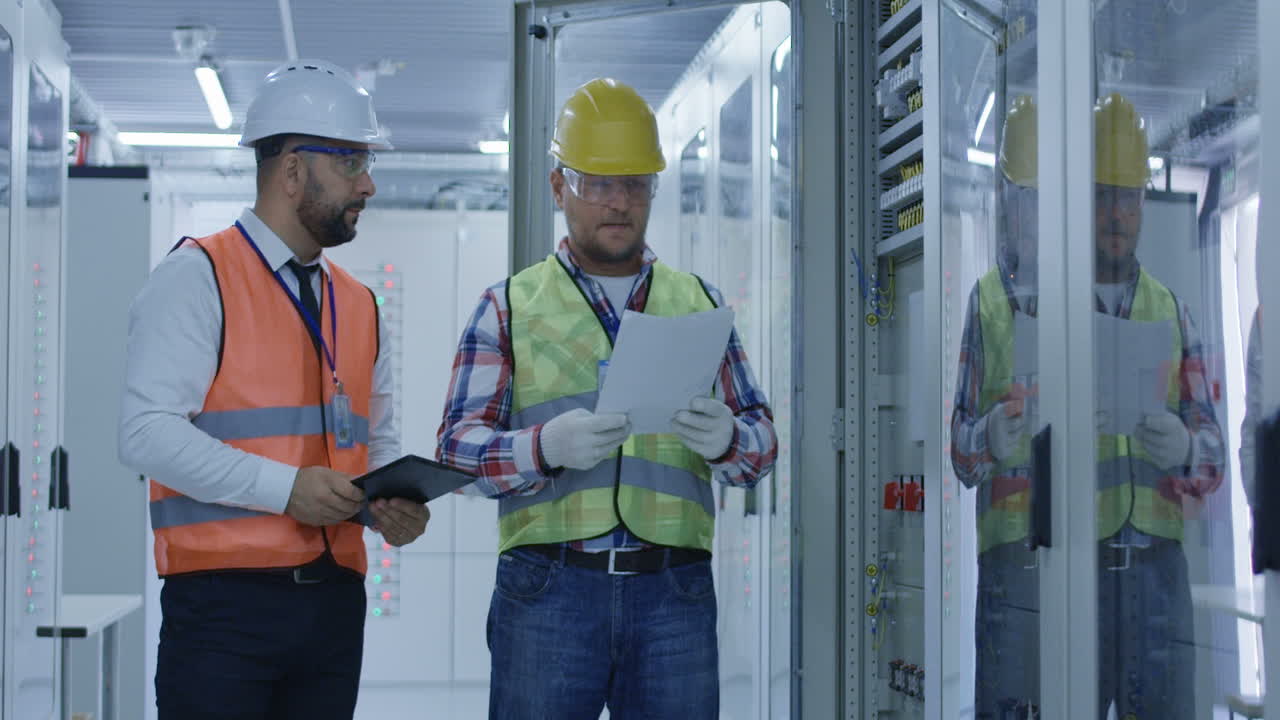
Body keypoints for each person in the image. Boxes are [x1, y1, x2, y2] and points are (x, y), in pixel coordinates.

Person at [436, 77, 778, 719]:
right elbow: (455, 454)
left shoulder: (698, 303)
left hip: (673, 592)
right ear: (559, 184)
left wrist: (731, 439)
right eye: (598, 183)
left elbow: (761, 449)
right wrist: (542, 448)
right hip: (549, 590)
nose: (619, 202)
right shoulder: (508, 306)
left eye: (636, 183)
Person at [118, 60, 429, 719]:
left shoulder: (360, 303)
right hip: (223, 612)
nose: (368, 184)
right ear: (292, 171)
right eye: (350, 163)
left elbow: (375, 441)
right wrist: (286, 489)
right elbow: (145, 433)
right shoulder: (197, 277)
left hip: (334, 607)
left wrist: (390, 502)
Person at [951, 93, 1225, 719]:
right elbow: (960, 457)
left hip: (1151, 577)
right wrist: (992, 434)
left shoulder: (1170, 310)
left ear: (1145, 202)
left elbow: (1214, 462)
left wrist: (1186, 448)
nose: (1116, 214)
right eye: (1101, 195)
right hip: (1036, 568)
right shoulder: (1004, 303)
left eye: (1128, 196)